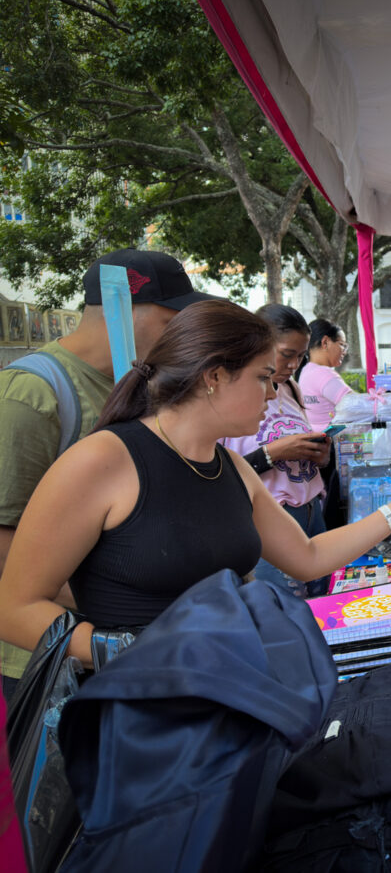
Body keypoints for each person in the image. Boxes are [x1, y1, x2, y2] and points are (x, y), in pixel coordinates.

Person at [0, 301, 391, 667]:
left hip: (233, 701)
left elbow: (308, 558)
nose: (274, 393)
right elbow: (15, 607)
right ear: (214, 377)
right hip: (146, 723)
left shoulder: (230, 466)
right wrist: (124, 651)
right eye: (262, 378)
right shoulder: (103, 460)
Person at [0, 248, 212, 697]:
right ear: (126, 308)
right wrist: (129, 610)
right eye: (171, 318)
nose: (181, 333)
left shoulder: (143, 386)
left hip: (146, 647)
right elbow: (5, 544)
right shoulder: (32, 393)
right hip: (57, 658)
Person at [221, 305, 332, 598]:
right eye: (287, 354)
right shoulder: (231, 395)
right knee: (285, 617)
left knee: (321, 611)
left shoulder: (292, 389)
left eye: (301, 356)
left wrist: (319, 456)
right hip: (269, 522)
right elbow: (222, 474)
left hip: (312, 513)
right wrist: (273, 453)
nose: (295, 364)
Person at [297, 319, 353, 428]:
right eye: (342, 345)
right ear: (325, 342)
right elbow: (356, 405)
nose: (344, 351)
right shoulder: (323, 374)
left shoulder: (307, 371)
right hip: (331, 440)